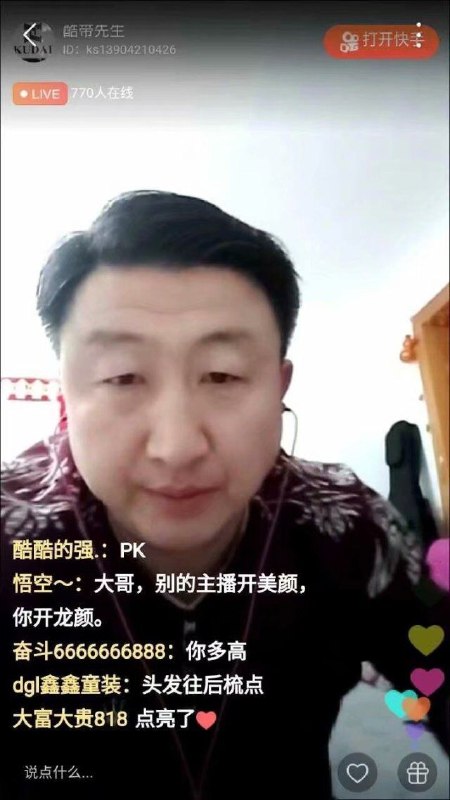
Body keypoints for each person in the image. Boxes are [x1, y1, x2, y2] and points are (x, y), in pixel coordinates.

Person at [1, 190, 448, 800]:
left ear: (278, 387)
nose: (177, 446)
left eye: (222, 375)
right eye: (122, 377)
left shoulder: (347, 524)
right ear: (67, 393)